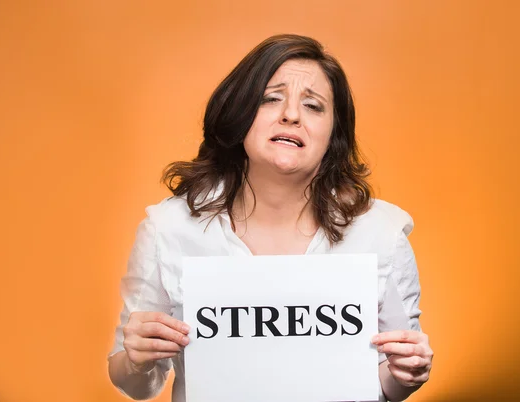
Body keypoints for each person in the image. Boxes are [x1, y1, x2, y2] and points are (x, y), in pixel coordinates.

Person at [107, 34, 433, 402]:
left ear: (333, 135)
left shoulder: (381, 233)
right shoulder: (168, 228)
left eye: (313, 105)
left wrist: (406, 374)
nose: (291, 115)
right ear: (240, 113)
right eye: (271, 98)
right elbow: (134, 384)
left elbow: (389, 383)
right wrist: (136, 362)